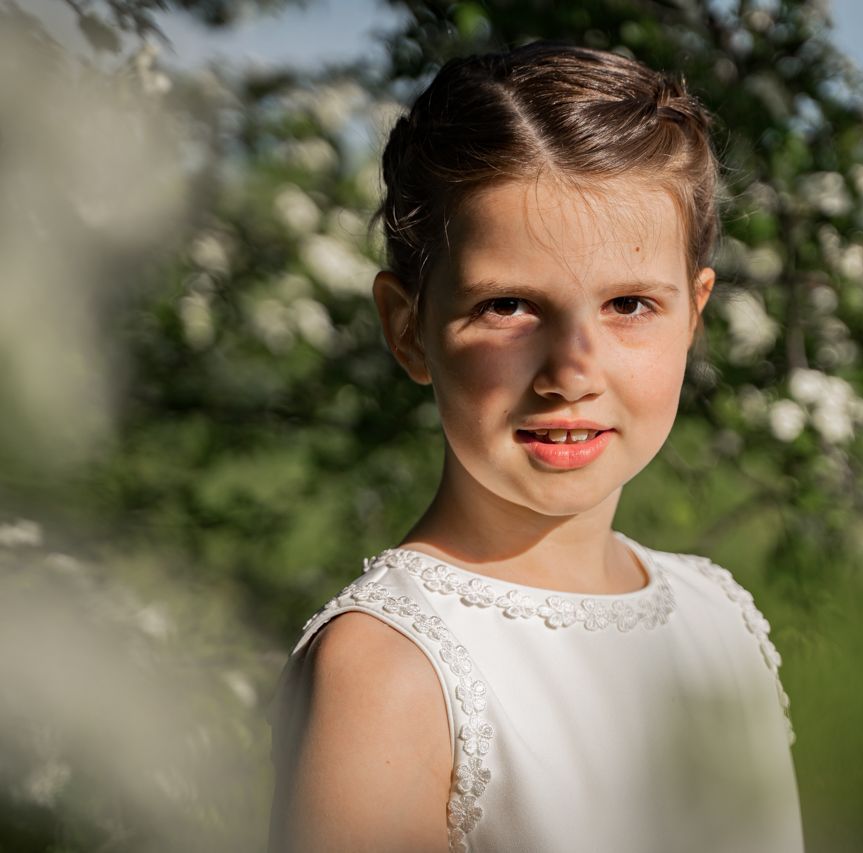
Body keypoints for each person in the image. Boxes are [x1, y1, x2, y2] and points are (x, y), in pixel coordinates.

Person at [266, 41, 803, 853]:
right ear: (408, 329)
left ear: (695, 314)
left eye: (628, 304)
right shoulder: (388, 670)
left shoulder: (720, 616)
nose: (570, 372)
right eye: (509, 305)